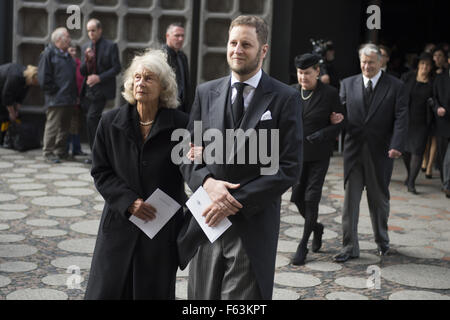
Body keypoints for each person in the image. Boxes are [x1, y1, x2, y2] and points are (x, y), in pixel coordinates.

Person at [177, 15, 302, 300]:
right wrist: (208, 183)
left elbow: (289, 167)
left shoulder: (285, 98)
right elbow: (186, 152)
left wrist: (234, 201)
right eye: (233, 43)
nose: (237, 50)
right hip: (207, 221)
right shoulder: (206, 92)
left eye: (246, 44)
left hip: (252, 224)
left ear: (263, 50)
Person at [84, 49, 188, 299]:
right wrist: (129, 201)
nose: (141, 83)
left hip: (159, 229)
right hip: (119, 224)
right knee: (110, 290)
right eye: (137, 77)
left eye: (149, 78)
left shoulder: (182, 125)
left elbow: (191, 170)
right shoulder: (110, 122)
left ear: (163, 86)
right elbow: (100, 170)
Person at [335, 44, 408, 263]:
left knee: (379, 201)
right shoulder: (347, 84)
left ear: (381, 62)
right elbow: (341, 114)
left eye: (371, 62)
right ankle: (349, 246)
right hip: (354, 152)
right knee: (350, 202)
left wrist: (397, 145)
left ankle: (382, 242)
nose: (367, 66)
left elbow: (402, 117)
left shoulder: (396, 86)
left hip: (381, 152)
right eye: (363, 62)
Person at [289, 53, 345, 265]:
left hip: (319, 155)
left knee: (312, 198)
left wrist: (324, 133)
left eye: (308, 73)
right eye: (300, 73)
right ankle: (317, 227)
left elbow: (341, 122)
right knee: (297, 198)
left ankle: (303, 244)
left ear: (317, 72)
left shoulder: (329, 93)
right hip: (297, 156)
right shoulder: (292, 92)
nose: (303, 77)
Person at [80, 18, 121, 164]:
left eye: (93, 30)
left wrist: (99, 78)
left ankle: (97, 154)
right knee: (92, 120)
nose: (90, 33)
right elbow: (82, 71)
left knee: (92, 118)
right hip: (88, 90)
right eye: (88, 31)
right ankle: (99, 152)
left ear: (99, 30)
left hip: (102, 89)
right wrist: (87, 60)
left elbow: (117, 68)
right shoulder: (86, 46)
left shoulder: (111, 46)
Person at [38, 27, 77, 164]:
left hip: (68, 98)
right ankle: (48, 152)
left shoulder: (67, 55)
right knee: (52, 126)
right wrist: (54, 91)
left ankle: (60, 151)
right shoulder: (48, 54)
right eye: (67, 37)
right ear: (59, 39)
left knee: (65, 127)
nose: (70, 40)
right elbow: (43, 77)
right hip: (56, 98)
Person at [401, 52, 434, 194]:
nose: (424, 67)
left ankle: (411, 182)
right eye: (422, 64)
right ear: (418, 65)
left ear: (430, 67)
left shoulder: (433, 82)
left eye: (427, 65)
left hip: (422, 122)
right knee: (406, 152)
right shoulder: (408, 77)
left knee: (417, 151)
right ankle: (409, 175)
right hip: (406, 119)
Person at [0, 63, 39, 145]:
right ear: (31, 78)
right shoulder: (15, 77)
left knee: (12, 115)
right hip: (3, 88)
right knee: (4, 115)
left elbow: (20, 97)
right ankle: (2, 139)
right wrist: (12, 112)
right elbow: (6, 96)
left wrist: (16, 111)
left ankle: (6, 139)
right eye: (34, 83)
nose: (34, 85)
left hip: (4, 90)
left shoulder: (27, 80)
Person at [162, 23, 192, 114]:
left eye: (182, 36)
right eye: (177, 36)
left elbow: (186, 83)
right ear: (167, 36)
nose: (181, 39)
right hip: (167, 106)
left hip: (182, 107)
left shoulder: (182, 56)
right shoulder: (161, 56)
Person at [433, 62, 450, 198]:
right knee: (443, 154)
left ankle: (447, 185)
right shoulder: (440, 78)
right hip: (443, 122)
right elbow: (434, 97)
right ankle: (446, 183)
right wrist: (437, 107)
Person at [67, 44, 87, 157]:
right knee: (67, 125)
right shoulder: (65, 63)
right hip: (67, 99)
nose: (73, 52)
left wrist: (80, 97)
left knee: (76, 124)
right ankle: (66, 148)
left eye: (74, 50)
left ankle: (76, 148)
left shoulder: (80, 64)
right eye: (71, 50)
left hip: (78, 99)